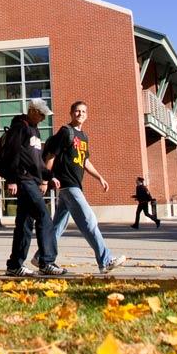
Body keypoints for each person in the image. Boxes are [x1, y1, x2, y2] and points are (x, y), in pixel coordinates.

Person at [38, 101, 127, 273]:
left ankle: (41, 256)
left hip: (73, 185)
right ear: (71, 113)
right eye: (77, 111)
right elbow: (50, 155)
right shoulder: (66, 132)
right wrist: (45, 179)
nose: (80, 114)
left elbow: (85, 161)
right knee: (89, 221)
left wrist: (99, 177)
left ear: (87, 114)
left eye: (83, 111)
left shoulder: (84, 136)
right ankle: (105, 260)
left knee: (57, 228)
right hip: (68, 184)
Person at [3, 97, 66, 277]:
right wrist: (12, 179)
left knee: (24, 223)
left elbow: (36, 162)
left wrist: (49, 176)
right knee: (44, 216)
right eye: (41, 115)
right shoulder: (20, 128)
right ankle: (46, 261)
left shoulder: (35, 131)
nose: (44, 119)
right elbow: (12, 154)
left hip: (32, 179)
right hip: (23, 180)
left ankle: (15, 265)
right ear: (32, 111)